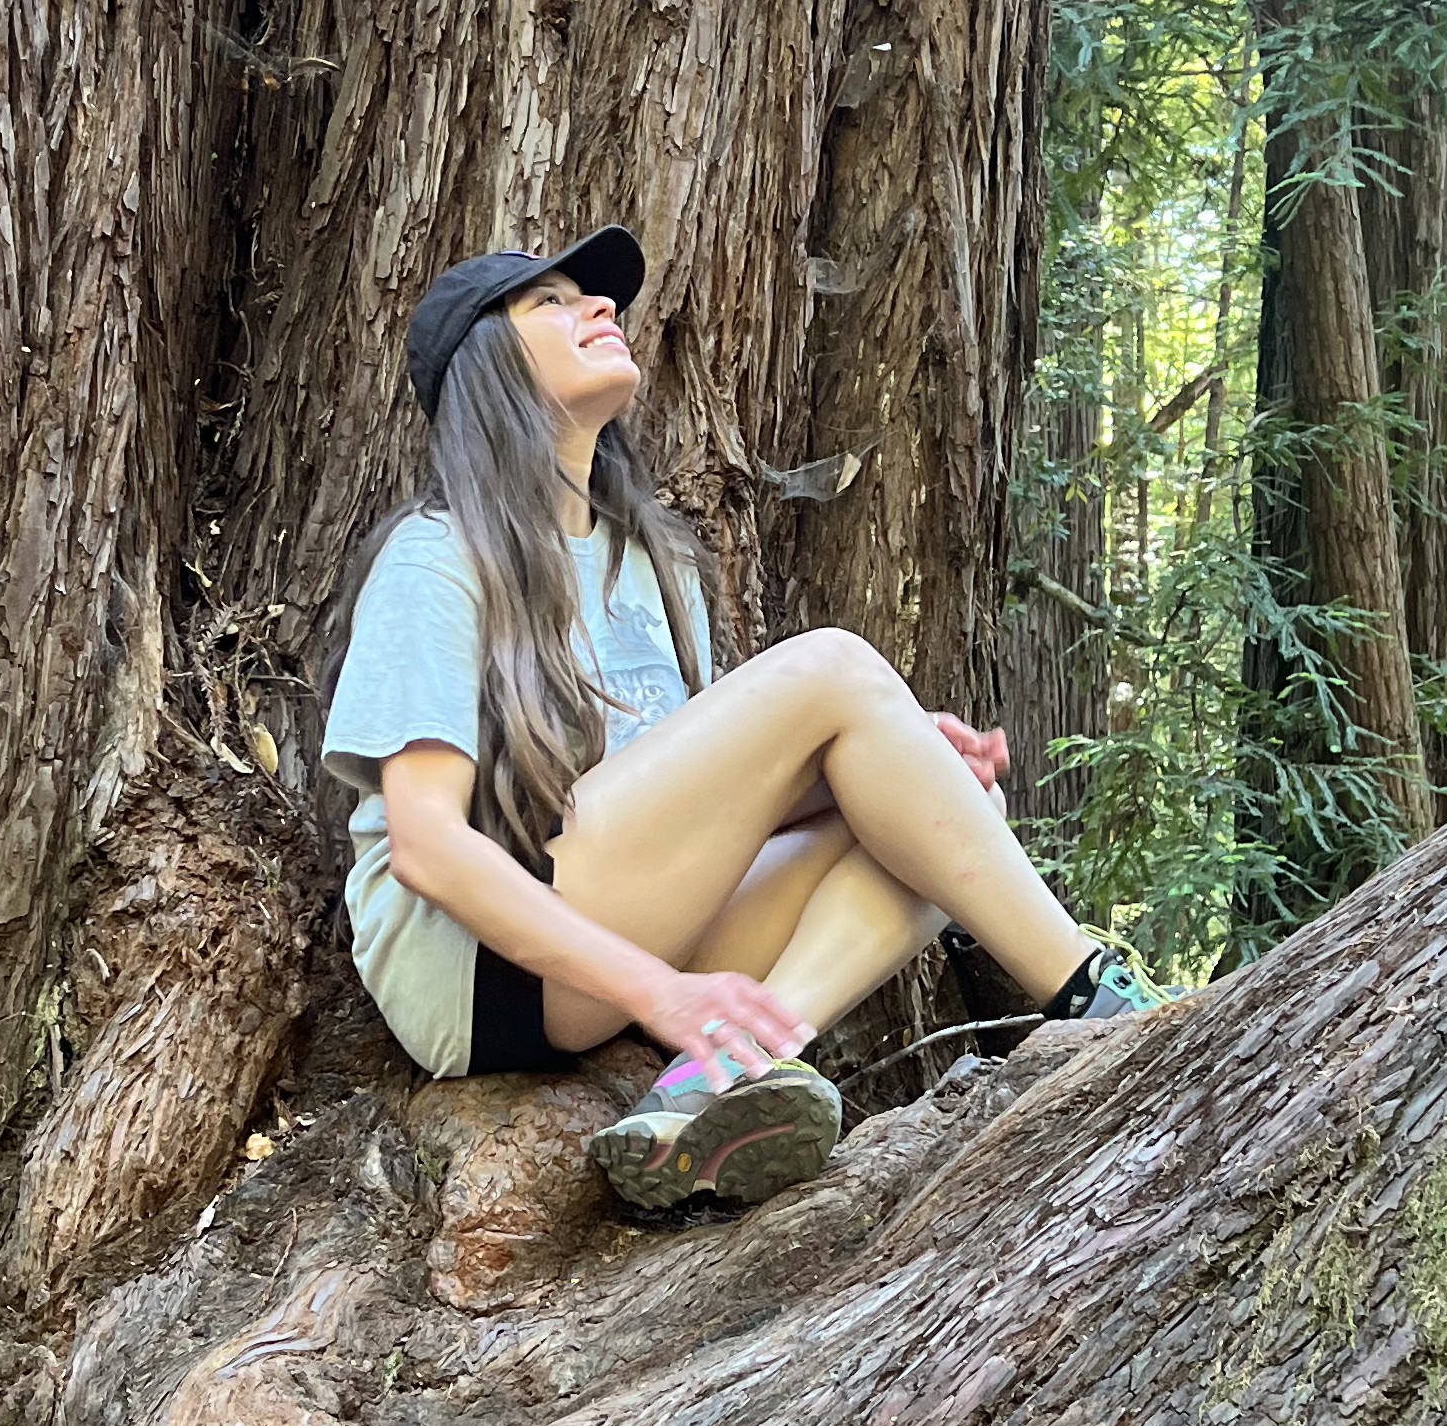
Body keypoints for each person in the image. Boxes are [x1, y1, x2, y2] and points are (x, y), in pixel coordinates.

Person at [320, 226, 1146, 1216]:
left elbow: (698, 817)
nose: (600, 308)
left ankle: (717, 1082)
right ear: (486, 365)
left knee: (949, 812)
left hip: (610, 932)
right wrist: (658, 993)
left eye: (598, 297)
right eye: (551, 302)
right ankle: (1110, 1020)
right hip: (481, 974)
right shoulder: (437, 559)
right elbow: (426, 847)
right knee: (837, 668)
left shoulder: (651, 565)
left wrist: (890, 756)